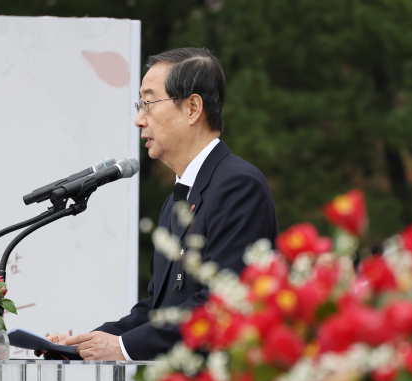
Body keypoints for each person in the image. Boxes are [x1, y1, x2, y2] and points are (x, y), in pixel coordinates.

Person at [45, 47, 278, 362]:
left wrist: (122, 349)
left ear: (192, 108)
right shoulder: (175, 202)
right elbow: (156, 310)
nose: (139, 120)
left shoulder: (238, 186)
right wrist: (79, 347)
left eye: (148, 103)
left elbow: (221, 302)